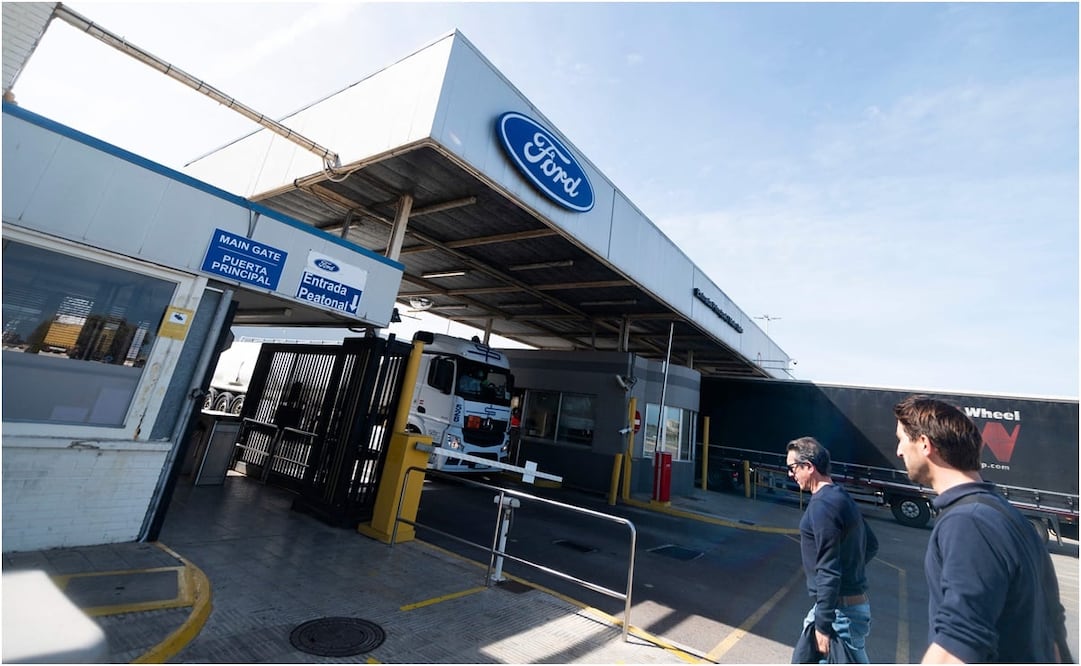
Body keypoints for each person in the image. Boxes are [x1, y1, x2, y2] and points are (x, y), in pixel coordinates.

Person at [893, 395, 1070, 663]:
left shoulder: (967, 523)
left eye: (902, 440)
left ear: (925, 444)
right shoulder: (1006, 514)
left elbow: (958, 646)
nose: (899, 451)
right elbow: (1053, 629)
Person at [786, 436, 877, 663]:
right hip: (845, 608)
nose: (790, 474)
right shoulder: (840, 496)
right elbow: (871, 544)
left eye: (792, 468)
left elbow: (828, 568)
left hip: (839, 614)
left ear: (808, 466)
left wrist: (823, 625)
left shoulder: (822, 507)